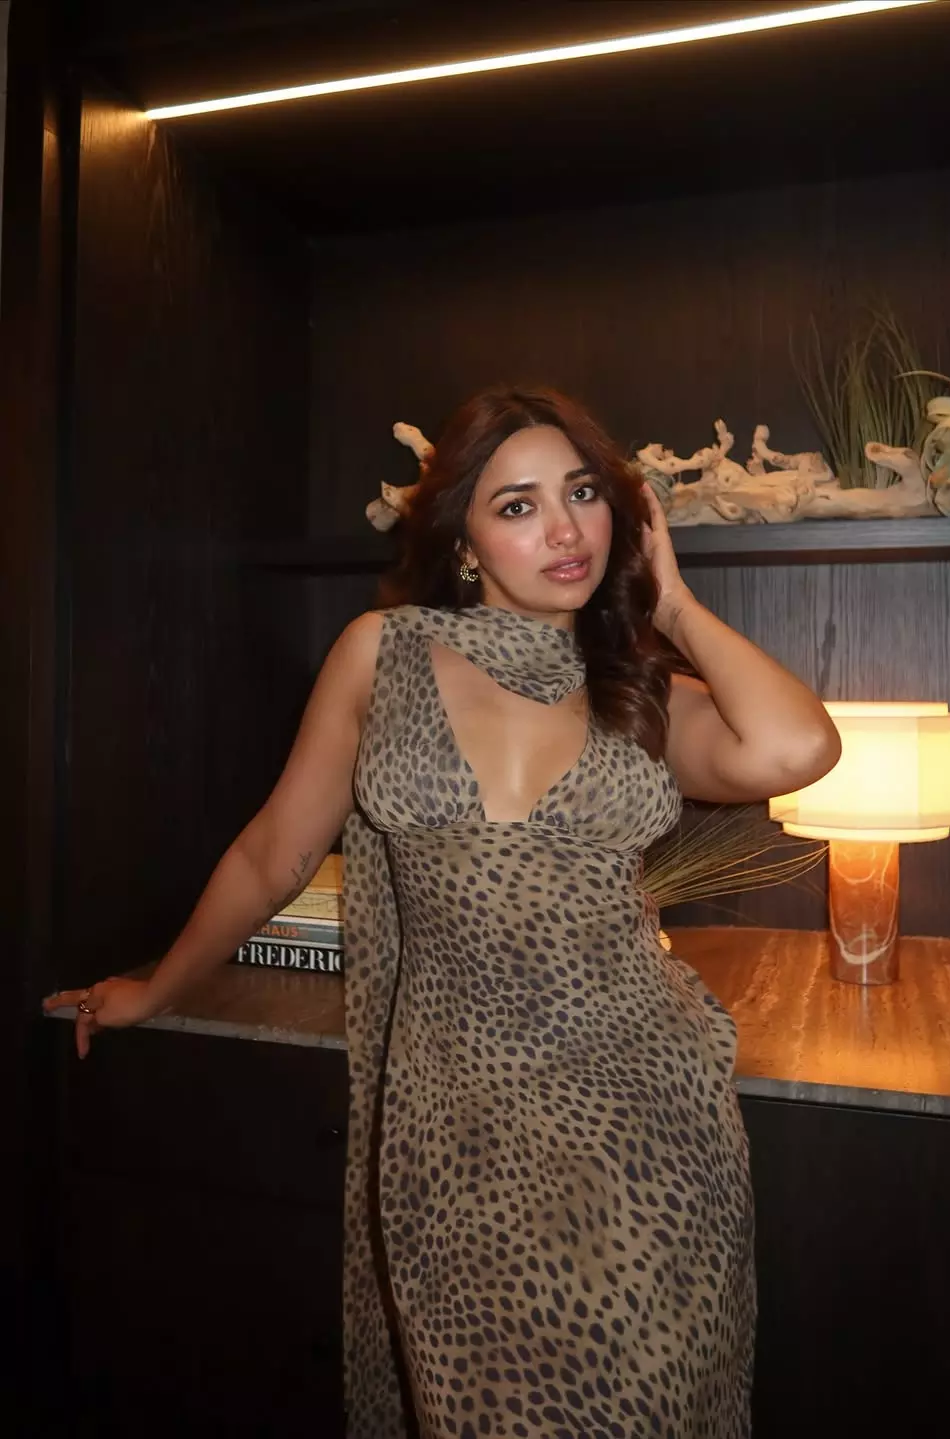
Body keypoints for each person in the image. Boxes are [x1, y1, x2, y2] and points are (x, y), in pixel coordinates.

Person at [46, 386, 840, 1438]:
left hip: (643, 1134)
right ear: (464, 539)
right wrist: (158, 989)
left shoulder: (638, 694)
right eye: (517, 505)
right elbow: (276, 851)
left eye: (583, 494)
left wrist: (674, 606)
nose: (564, 529)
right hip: (455, 1139)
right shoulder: (384, 653)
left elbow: (799, 748)